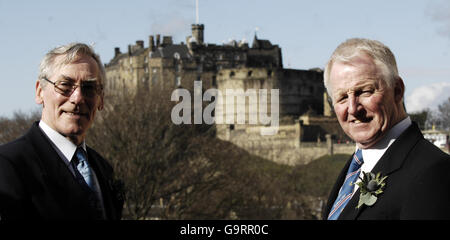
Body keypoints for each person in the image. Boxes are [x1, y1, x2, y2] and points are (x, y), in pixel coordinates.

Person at [322, 38, 450, 220]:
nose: (352, 108)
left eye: (364, 91)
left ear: (397, 90)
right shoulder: (353, 169)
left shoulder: (434, 171)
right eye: (342, 97)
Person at [0, 43, 123, 220]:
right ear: (40, 92)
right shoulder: (8, 165)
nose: (78, 97)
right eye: (65, 85)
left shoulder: (104, 169)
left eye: (88, 88)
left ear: (101, 100)